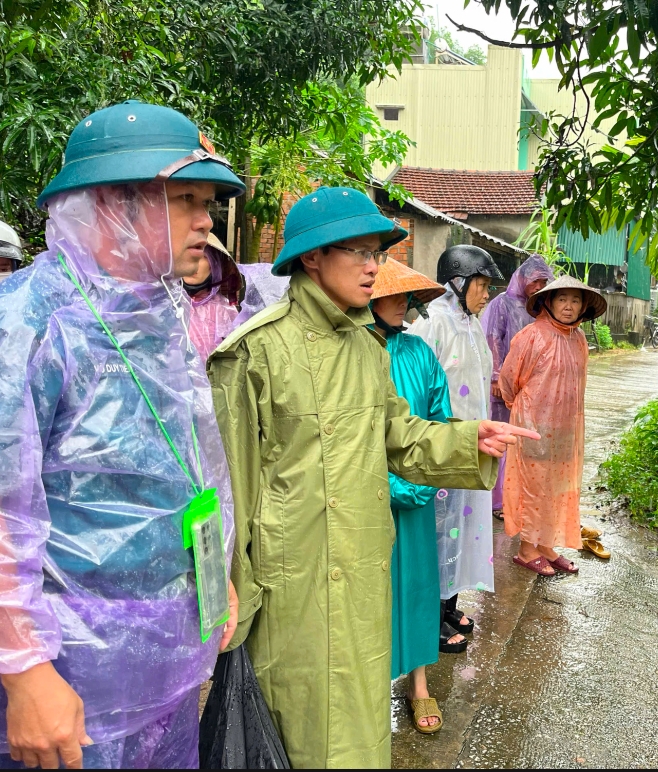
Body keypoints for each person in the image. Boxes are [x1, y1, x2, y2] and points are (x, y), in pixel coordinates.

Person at [207, 190, 537, 769]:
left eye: (376, 252)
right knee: (297, 733)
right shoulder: (253, 352)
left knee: (360, 730)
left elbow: (398, 435)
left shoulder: (368, 347)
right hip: (292, 589)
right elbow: (229, 493)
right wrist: (231, 601)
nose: (372, 266)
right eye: (357, 251)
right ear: (311, 258)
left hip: (362, 572)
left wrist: (466, 439)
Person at [0, 101, 244, 770]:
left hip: (161, 662)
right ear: (114, 203)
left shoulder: (158, 311)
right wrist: (23, 671)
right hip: (67, 678)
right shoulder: (26, 322)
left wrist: (211, 573)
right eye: (186, 199)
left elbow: (188, 464)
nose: (208, 220)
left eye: (209, 200)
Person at [368, 259, 458, 735]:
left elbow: (440, 419)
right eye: (393, 294)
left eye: (408, 296)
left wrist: (420, 481)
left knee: (420, 586)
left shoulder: (421, 352)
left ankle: (420, 683)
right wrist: (386, 481)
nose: (403, 303)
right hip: (366, 493)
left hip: (419, 495)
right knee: (373, 589)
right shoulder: (356, 348)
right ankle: (367, 687)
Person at [408, 245, 504, 651]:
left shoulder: (471, 324)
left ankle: (448, 605)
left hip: (471, 446)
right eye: (481, 285)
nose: (486, 294)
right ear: (459, 282)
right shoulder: (433, 324)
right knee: (436, 531)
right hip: (444, 445)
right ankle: (426, 616)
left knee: (459, 530)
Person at [501, 276, 606, 575]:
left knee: (556, 488)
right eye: (562, 299)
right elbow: (509, 381)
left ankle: (545, 545)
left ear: (584, 306)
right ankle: (526, 548)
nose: (569, 307)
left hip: (565, 430)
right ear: (548, 302)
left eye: (575, 300)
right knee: (532, 487)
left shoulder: (579, 339)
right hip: (533, 425)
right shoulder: (531, 336)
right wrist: (526, 411)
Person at [479, 255, 554, 519]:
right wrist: (497, 377)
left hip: (530, 388)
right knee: (501, 439)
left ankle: (517, 495)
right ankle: (497, 502)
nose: (539, 286)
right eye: (535, 281)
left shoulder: (542, 309)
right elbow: (492, 338)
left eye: (544, 281)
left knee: (522, 441)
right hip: (503, 386)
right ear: (522, 279)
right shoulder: (502, 304)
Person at [183, 233, 242, 361]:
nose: (192, 264)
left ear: (213, 265)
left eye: (202, 257)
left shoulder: (223, 311)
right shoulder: (164, 303)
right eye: (186, 256)